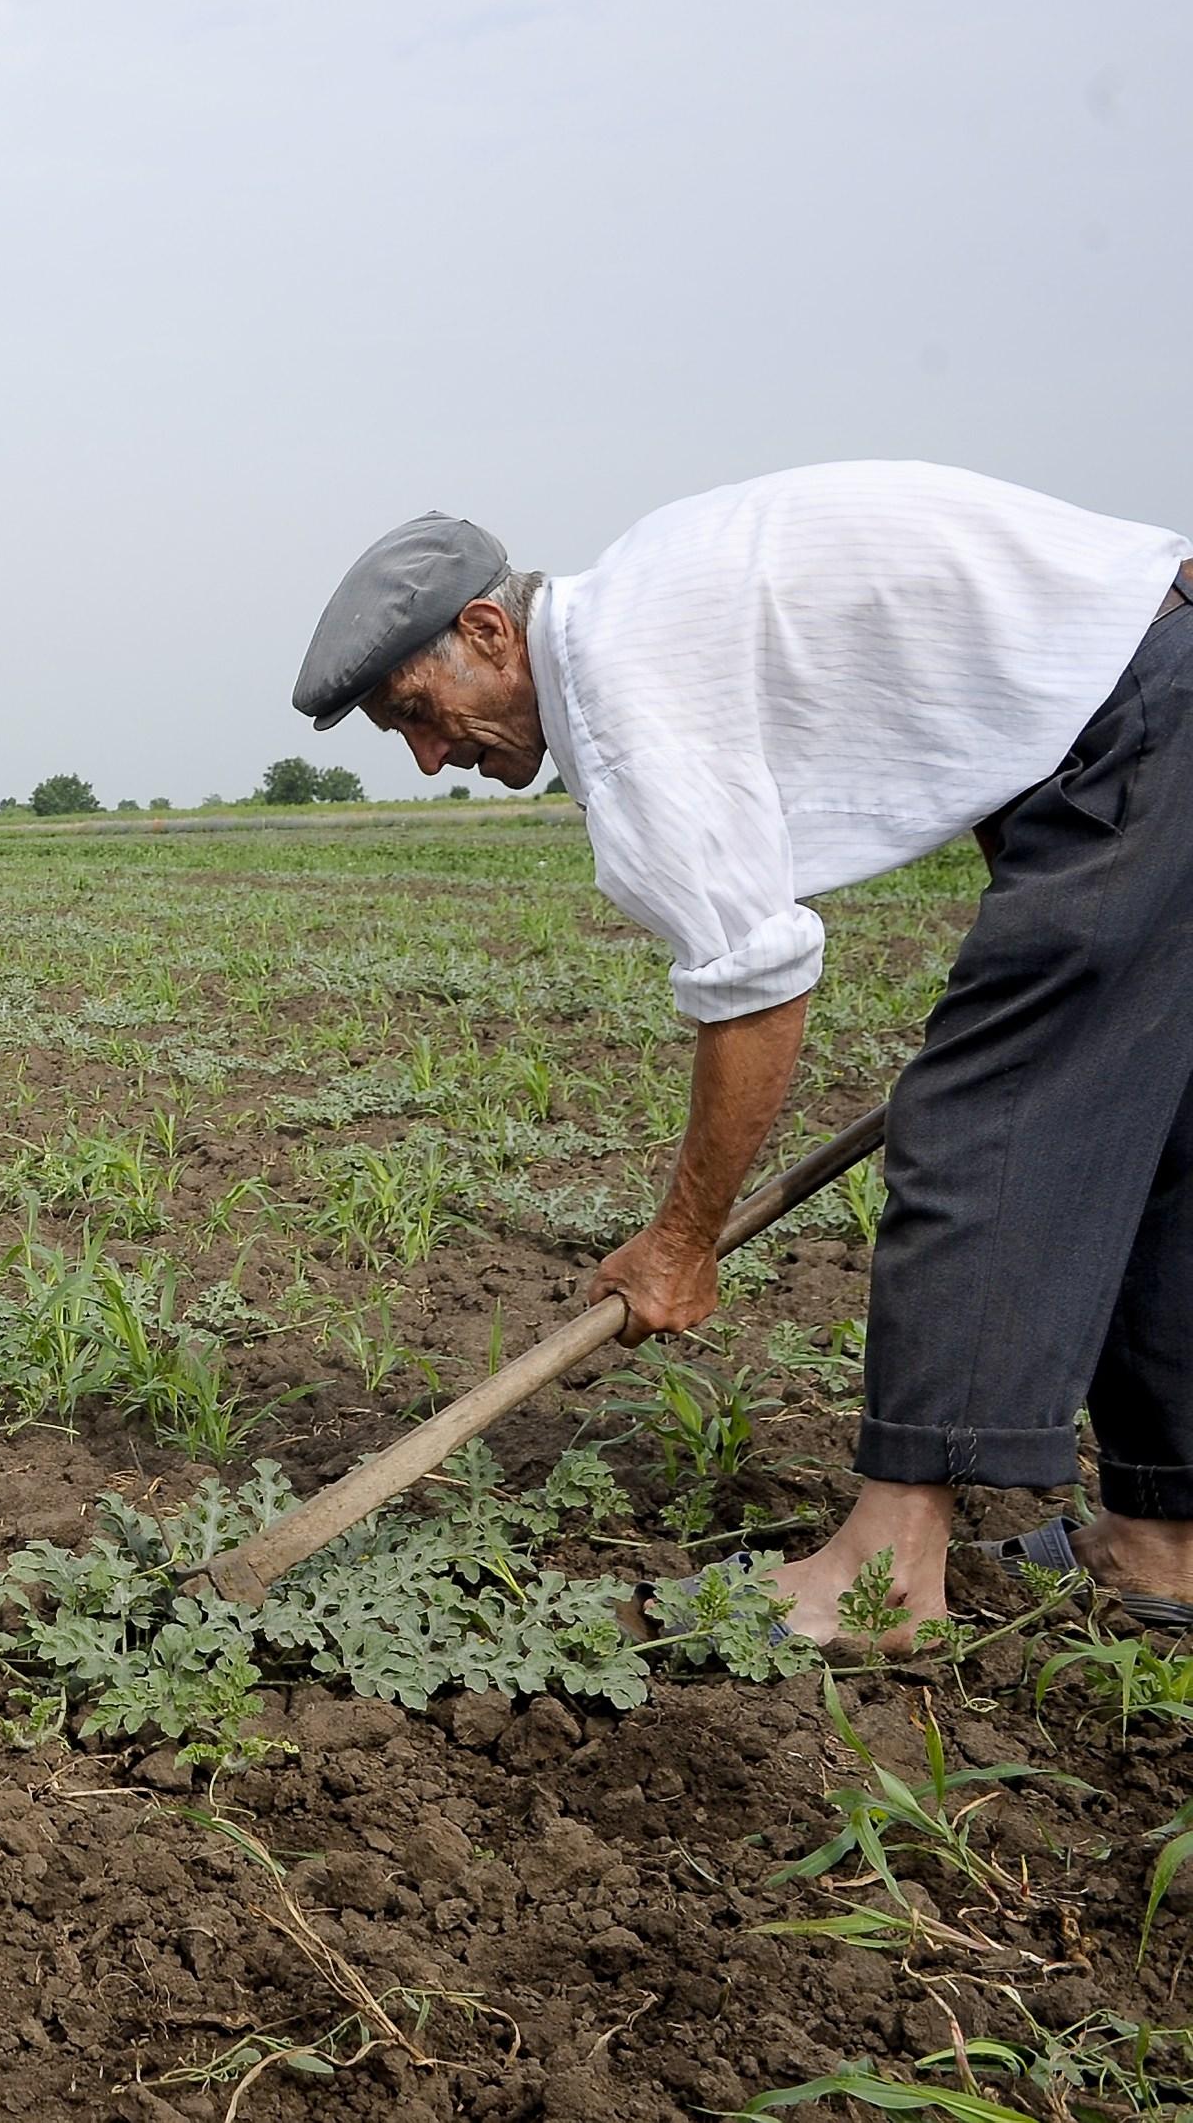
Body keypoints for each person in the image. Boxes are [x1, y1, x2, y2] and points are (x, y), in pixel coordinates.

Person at [292, 460, 1193, 1649]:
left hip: (1147, 704)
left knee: (982, 1123)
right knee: (1154, 1137)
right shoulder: (648, 602)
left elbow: (761, 986)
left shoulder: (621, 705)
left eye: (415, 711)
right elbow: (973, 704)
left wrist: (682, 1241)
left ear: (488, 628)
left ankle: (887, 1570)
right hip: (1153, 672)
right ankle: (1163, 1539)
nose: (423, 755)